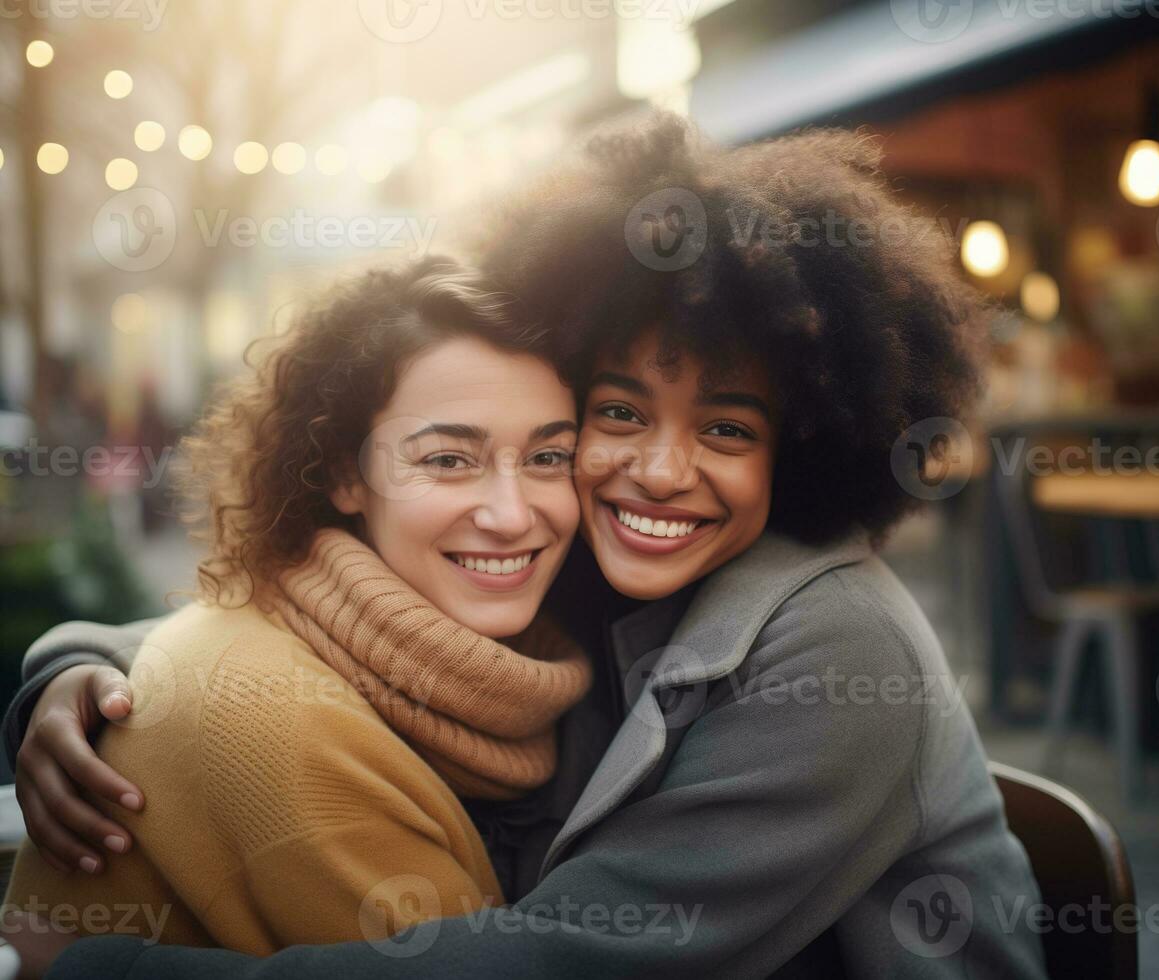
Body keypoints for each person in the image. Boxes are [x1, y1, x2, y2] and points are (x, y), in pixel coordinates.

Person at [4, 117, 1047, 978]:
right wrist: (82, 663)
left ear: (803, 451)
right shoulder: (593, 563)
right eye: (617, 411)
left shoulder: (838, 644)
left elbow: (567, 962)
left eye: (727, 429)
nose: (660, 470)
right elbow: (318, 624)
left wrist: (102, 971)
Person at [2, 257, 592, 954]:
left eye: (548, 458)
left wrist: (72, 656)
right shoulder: (277, 717)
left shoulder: (513, 661)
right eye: (446, 460)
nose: (510, 513)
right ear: (345, 473)